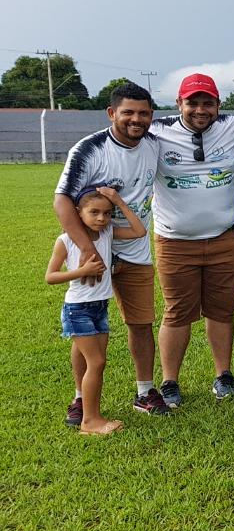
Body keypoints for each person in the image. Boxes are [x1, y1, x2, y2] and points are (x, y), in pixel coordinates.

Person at [54, 81, 169, 419]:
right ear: (111, 113)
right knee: (85, 329)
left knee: (141, 323)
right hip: (92, 257)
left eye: (144, 113)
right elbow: (62, 201)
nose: (137, 119)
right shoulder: (89, 148)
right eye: (128, 112)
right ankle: (79, 398)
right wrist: (90, 252)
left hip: (134, 251)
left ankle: (145, 391)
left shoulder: (154, 145)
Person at [150, 73, 234, 404]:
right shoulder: (156, 132)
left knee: (222, 311)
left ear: (218, 105)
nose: (200, 109)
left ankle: (223, 375)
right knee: (177, 312)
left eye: (207, 103)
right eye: (192, 102)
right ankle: (169, 382)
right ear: (179, 103)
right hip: (175, 242)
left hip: (224, 240)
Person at [46, 186, 148, 434]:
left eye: (107, 213)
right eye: (94, 212)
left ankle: (93, 414)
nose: (101, 218)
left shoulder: (108, 232)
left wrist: (119, 202)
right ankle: (90, 422)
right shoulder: (66, 240)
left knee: (97, 362)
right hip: (78, 309)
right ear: (78, 212)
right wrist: (81, 272)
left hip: (100, 307)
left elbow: (139, 230)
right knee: (97, 362)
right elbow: (50, 276)